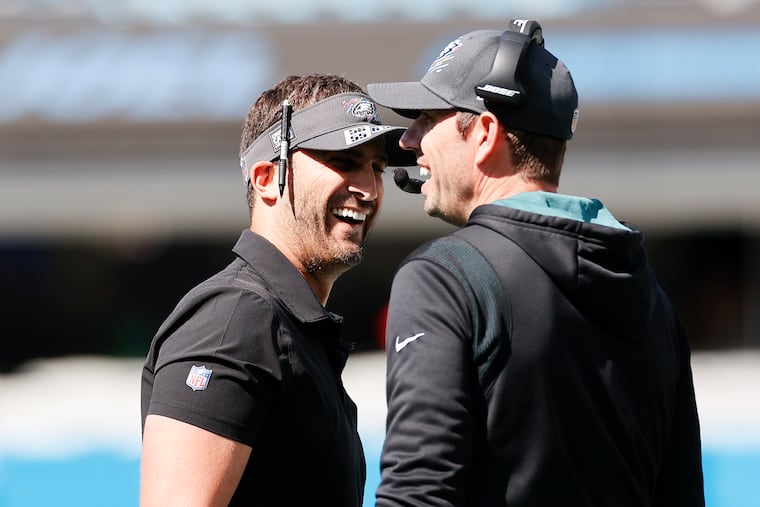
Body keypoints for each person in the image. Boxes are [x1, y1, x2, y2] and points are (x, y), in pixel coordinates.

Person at [367, 20, 705, 506]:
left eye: (426, 118)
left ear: (484, 133)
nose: (407, 140)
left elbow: (419, 494)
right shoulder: (655, 301)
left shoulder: (443, 278)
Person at [140, 73, 415, 506]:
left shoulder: (285, 324)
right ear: (266, 177)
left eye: (377, 167)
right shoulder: (234, 318)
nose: (368, 189)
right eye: (344, 161)